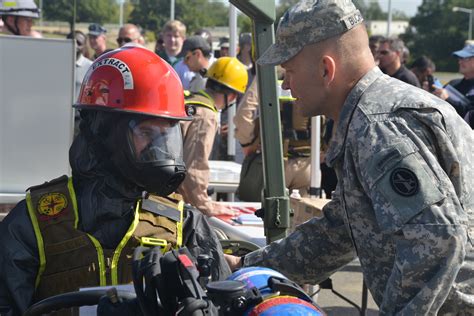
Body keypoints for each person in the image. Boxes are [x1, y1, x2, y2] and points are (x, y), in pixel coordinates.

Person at [226, 1, 474, 314]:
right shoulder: (371, 116)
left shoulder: (378, 126)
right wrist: (246, 265)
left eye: (289, 71)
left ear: (326, 69)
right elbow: (341, 229)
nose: (286, 84)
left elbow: (437, 240)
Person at [0, 46, 231, 315]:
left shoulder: (185, 225)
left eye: (165, 136)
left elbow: (221, 304)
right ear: (104, 130)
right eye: (146, 132)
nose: (159, 150)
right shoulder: (34, 222)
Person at [178, 57, 248, 217]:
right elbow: (194, 167)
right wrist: (206, 205)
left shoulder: (189, 100)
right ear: (232, 96)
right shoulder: (206, 115)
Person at [433, 44, 474, 120]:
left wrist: (448, 99)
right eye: (459, 58)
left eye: (465, 58)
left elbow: (470, 117)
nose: (460, 62)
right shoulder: (453, 84)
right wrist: (429, 92)